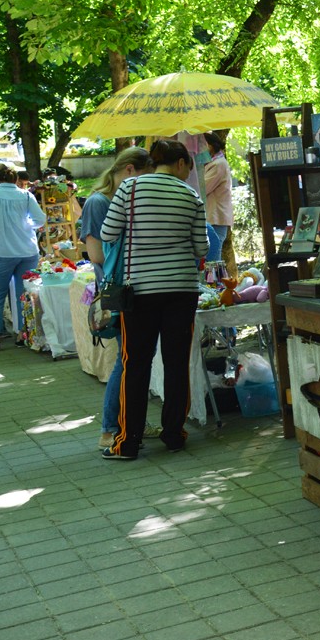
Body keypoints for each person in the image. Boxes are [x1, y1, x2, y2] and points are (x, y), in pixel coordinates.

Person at [100, 139, 208, 460]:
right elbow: (201, 249)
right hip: (181, 291)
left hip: (140, 293)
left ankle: (128, 442)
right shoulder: (190, 196)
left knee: (136, 364)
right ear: (179, 164)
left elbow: (108, 233)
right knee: (176, 363)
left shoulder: (130, 189)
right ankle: (174, 435)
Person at [78, 146, 152, 449]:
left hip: (130, 287)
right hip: (117, 290)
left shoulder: (120, 200)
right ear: (130, 170)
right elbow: (95, 253)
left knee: (133, 359)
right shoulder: (99, 202)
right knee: (126, 360)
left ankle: (129, 421)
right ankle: (109, 428)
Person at [0, 165, 45, 352]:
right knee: (25, 295)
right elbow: (40, 219)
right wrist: (26, 225)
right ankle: (24, 335)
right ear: (15, 180)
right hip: (28, 251)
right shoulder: (26, 195)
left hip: (2, 252)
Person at [202, 132, 233, 264]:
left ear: (211, 146)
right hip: (214, 217)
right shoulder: (212, 163)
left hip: (216, 218)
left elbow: (203, 188)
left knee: (213, 259)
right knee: (213, 259)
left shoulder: (218, 164)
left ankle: (215, 285)